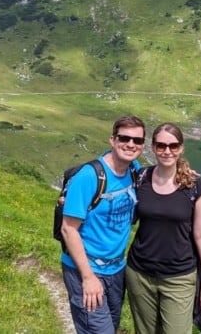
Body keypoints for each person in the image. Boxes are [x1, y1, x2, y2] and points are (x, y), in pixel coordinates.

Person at [126, 122, 201, 334]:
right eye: (161, 146)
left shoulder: (194, 185)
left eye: (173, 146)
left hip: (179, 277)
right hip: (139, 273)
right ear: (153, 147)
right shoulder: (140, 178)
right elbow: (116, 163)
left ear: (181, 148)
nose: (167, 151)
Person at [60, 114, 146, 334]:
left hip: (117, 269)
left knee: (111, 326)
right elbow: (68, 229)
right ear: (112, 140)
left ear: (143, 145)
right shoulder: (89, 176)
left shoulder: (133, 170)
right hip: (86, 269)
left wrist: (182, 174)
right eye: (124, 138)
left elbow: (158, 175)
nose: (130, 144)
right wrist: (88, 278)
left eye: (137, 140)